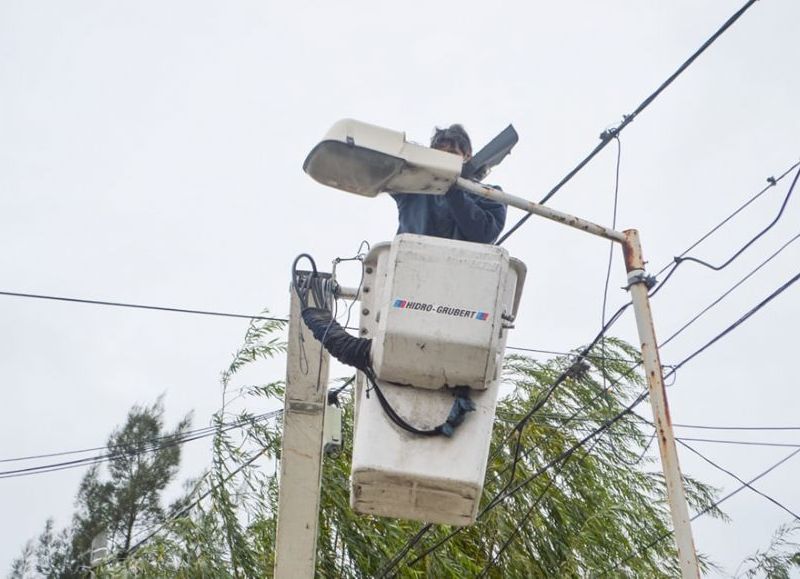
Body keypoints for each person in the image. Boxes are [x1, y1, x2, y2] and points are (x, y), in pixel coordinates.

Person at [391, 124, 506, 244]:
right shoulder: (414, 186)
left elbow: (485, 235)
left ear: (467, 156)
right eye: (439, 154)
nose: (445, 159)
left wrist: (454, 192)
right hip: (408, 259)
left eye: (452, 153)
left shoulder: (490, 194)